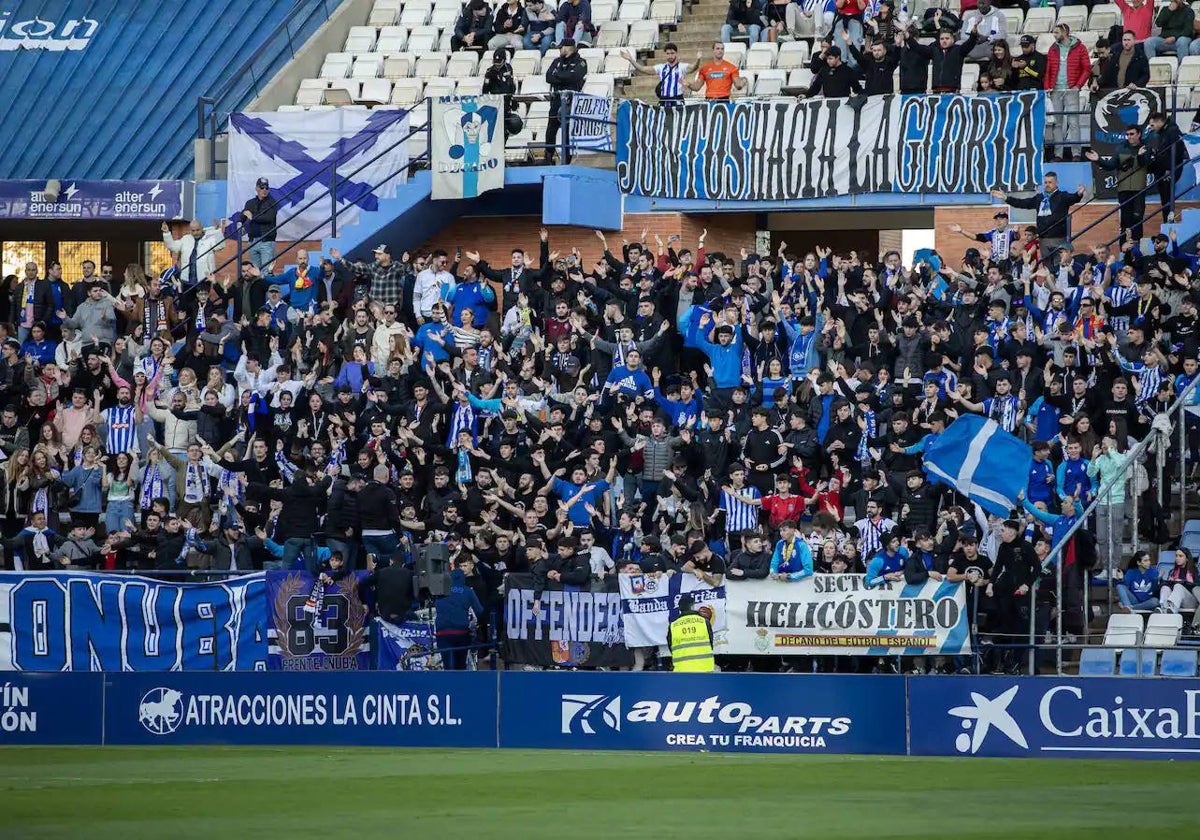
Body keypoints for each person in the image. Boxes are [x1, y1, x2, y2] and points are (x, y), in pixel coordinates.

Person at [991, 171, 1085, 260]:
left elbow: (1073, 198)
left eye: (1050, 182)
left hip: (1059, 239)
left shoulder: (1062, 196)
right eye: (1045, 182)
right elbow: (1023, 203)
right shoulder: (1039, 198)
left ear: (1057, 183)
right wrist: (1006, 198)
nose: (1047, 184)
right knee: (1046, 266)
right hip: (1043, 239)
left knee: (1059, 265)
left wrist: (1079, 194)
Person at [1042, 23, 1091, 162]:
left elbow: (1087, 68)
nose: (1054, 35)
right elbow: (1049, 70)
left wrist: (1078, 85)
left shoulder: (1080, 47)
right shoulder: (1053, 48)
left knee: (1073, 121)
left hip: (1071, 90)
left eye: (1057, 32)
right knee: (1057, 123)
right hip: (1055, 90)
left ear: (1065, 33)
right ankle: (1058, 154)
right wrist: (1047, 87)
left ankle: (1076, 153)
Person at [543, 37, 587, 161]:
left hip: (571, 101)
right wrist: (565, 77)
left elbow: (575, 76)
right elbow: (548, 77)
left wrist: (558, 75)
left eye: (561, 47)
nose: (559, 49)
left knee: (568, 130)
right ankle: (548, 156)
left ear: (568, 48)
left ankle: (567, 160)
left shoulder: (581, 61)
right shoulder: (557, 61)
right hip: (557, 99)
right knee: (551, 127)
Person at [1146, 111, 1189, 223]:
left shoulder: (1172, 131)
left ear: (1160, 122)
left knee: (1166, 197)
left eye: (1152, 125)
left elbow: (1177, 152)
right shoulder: (1165, 132)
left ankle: (1169, 221)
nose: (1151, 128)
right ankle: (1168, 220)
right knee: (1165, 197)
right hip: (1164, 169)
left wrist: (1169, 169)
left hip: (1169, 170)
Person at [622, 43, 689, 103]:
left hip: (677, 100)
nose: (670, 56)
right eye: (668, 53)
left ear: (676, 54)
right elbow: (642, 68)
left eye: (672, 53)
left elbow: (693, 67)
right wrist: (631, 60)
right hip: (664, 100)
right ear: (665, 54)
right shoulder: (661, 67)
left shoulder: (682, 67)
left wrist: (698, 60)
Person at [667, 593, 715, 672]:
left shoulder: (673, 626)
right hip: (705, 670)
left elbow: (671, 648)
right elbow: (710, 643)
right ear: (692, 607)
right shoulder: (704, 622)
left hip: (682, 671)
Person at [241, 177, 279, 269]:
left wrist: (252, 217)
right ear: (257, 188)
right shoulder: (250, 203)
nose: (264, 190)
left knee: (266, 272)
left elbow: (268, 218)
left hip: (267, 241)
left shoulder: (272, 202)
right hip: (253, 240)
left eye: (266, 188)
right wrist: (242, 218)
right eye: (262, 187)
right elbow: (242, 216)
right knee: (255, 272)